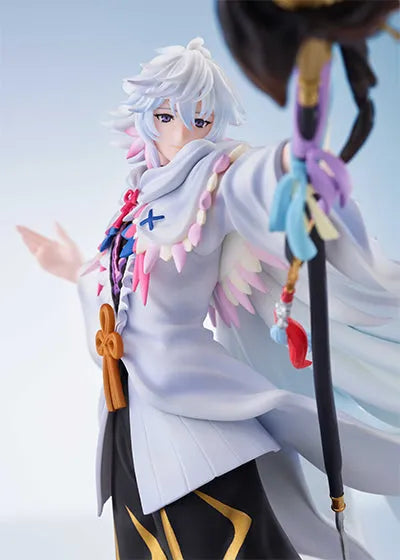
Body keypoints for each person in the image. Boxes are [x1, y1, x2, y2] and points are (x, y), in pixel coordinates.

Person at [17, 37, 400, 560]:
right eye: (167, 117)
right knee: (142, 541)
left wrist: (288, 163)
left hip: (192, 408)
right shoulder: (138, 199)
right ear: (147, 119)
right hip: (129, 410)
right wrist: (71, 267)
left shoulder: (215, 182)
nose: (183, 135)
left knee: (222, 538)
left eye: (199, 120)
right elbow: (118, 291)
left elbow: (253, 184)